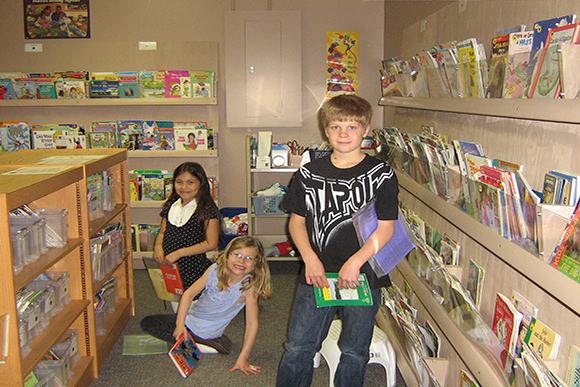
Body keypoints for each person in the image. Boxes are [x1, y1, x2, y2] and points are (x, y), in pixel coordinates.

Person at [276, 94, 399, 387]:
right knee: (298, 347)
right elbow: (296, 221)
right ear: (325, 130)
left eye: (352, 127)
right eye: (336, 127)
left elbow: (386, 228)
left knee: (355, 351)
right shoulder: (308, 173)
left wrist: (356, 262)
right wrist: (309, 258)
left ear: (366, 130)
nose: (343, 134)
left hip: (363, 276)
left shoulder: (381, 174)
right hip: (316, 273)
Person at [141, 235, 272, 375]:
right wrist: (180, 325)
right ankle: (199, 340)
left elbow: (252, 324)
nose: (241, 261)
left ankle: (197, 342)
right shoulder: (215, 269)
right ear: (227, 255)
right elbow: (189, 294)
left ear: (256, 263)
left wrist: (243, 358)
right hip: (192, 318)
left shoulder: (248, 287)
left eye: (248, 258)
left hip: (204, 329)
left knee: (149, 324)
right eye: (237, 255)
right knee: (151, 321)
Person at [153, 162, 220, 302]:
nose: (184, 187)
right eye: (179, 182)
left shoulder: (206, 209)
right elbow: (162, 232)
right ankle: (180, 320)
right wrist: (158, 247)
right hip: (171, 265)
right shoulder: (171, 205)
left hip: (193, 265)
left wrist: (179, 253)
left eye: (190, 182)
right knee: (174, 296)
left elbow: (211, 243)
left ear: (201, 183)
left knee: (192, 299)